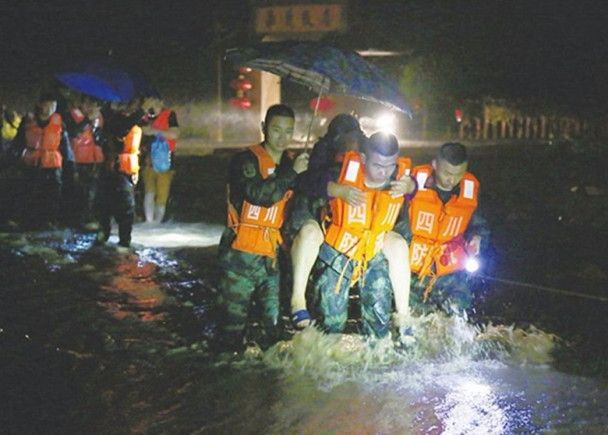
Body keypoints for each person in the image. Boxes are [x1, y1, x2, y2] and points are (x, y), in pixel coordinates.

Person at [286, 115, 416, 334]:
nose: (383, 172)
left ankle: (402, 322)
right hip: (339, 252)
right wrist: (336, 190)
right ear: (363, 159)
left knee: (378, 325)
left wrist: (411, 187)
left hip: (373, 255)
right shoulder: (342, 173)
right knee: (330, 325)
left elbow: (418, 195)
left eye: (389, 165)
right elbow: (306, 182)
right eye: (377, 165)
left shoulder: (399, 181)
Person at [216, 104, 309, 352]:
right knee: (230, 330)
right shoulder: (244, 160)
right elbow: (259, 195)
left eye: (288, 131)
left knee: (275, 331)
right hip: (239, 257)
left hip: (271, 259)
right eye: (276, 130)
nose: (282, 137)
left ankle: (271, 385)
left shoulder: (292, 164)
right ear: (263, 128)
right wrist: (293, 174)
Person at [395, 142, 490, 313]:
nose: (452, 180)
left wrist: (477, 239)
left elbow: (479, 226)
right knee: (412, 324)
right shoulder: (413, 183)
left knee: (458, 319)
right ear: (434, 165)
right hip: (414, 273)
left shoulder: (470, 190)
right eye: (447, 173)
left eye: (459, 174)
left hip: (451, 274)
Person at [10, 92, 73, 228]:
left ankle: (49, 221)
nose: (51, 108)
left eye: (54, 105)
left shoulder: (60, 122)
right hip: (31, 162)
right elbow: (19, 141)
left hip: (52, 164)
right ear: (40, 104)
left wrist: (70, 163)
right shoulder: (28, 121)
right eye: (48, 104)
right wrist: (14, 155)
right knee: (27, 191)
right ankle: (23, 221)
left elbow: (65, 144)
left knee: (52, 194)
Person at [95, 99, 143, 248]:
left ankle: (122, 239)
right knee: (117, 206)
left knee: (123, 208)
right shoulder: (114, 121)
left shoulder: (134, 120)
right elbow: (122, 131)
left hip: (127, 170)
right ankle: (109, 235)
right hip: (114, 169)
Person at [65, 95, 105, 229]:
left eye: (95, 105)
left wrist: (95, 128)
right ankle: (75, 220)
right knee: (77, 190)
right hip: (77, 159)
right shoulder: (71, 115)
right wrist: (88, 120)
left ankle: (87, 217)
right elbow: (73, 132)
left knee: (91, 191)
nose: (91, 107)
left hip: (94, 159)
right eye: (89, 104)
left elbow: (99, 138)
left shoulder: (99, 118)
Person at [140, 97, 179, 223]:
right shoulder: (144, 117)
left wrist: (155, 131)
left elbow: (175, 133)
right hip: (148, 161)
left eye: (156, 104)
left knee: (162, 193)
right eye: (150, 104)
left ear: (161, 104)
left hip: (165, 161)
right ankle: (149, 221)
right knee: (149, 192)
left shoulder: (169, 115)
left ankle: (158, 221)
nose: (153, 107)